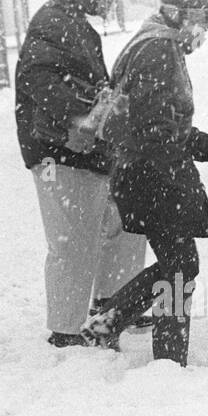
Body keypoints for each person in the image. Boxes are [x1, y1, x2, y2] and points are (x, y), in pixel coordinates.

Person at [80, 0, 208, 366]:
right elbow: (159, 128)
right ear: (182, 17)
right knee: (181, 264)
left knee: (179, 263)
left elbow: (159, 122)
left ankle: (112, 321)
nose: (201, 38)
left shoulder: (153, 41)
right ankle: (165, 358)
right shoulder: (159, 50)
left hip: (144, 171)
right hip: (153, 175)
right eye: (201, 27)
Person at [14, 0, 145, 348]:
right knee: (71, 237)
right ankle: (66, 329)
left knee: (119, 222)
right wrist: (80, 119)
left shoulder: (72, 23)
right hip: (57, 152)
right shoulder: (55, 20)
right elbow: (39, 79)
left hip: (83, 150)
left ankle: (112, 303)